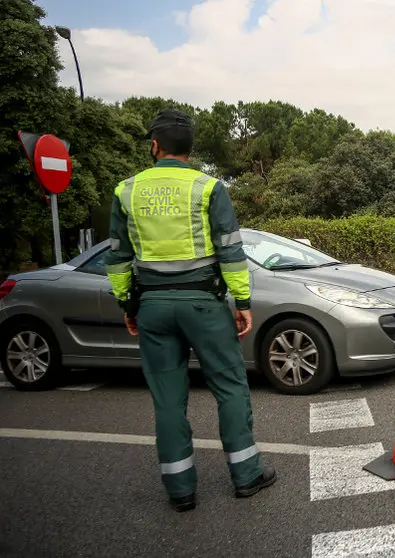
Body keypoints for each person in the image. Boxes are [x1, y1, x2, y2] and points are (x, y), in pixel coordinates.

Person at [104, 109, 277, 513]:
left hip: (152, 306)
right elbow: (231, 251)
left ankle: (181, 490)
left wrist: (129, 304)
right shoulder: (208, 187)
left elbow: (116, 258)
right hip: (203, 304)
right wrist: (243, 302)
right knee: (230, 387)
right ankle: (246, 477)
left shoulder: (126, 191)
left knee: (167, 400)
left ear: (154, 145)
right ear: (189, 148)